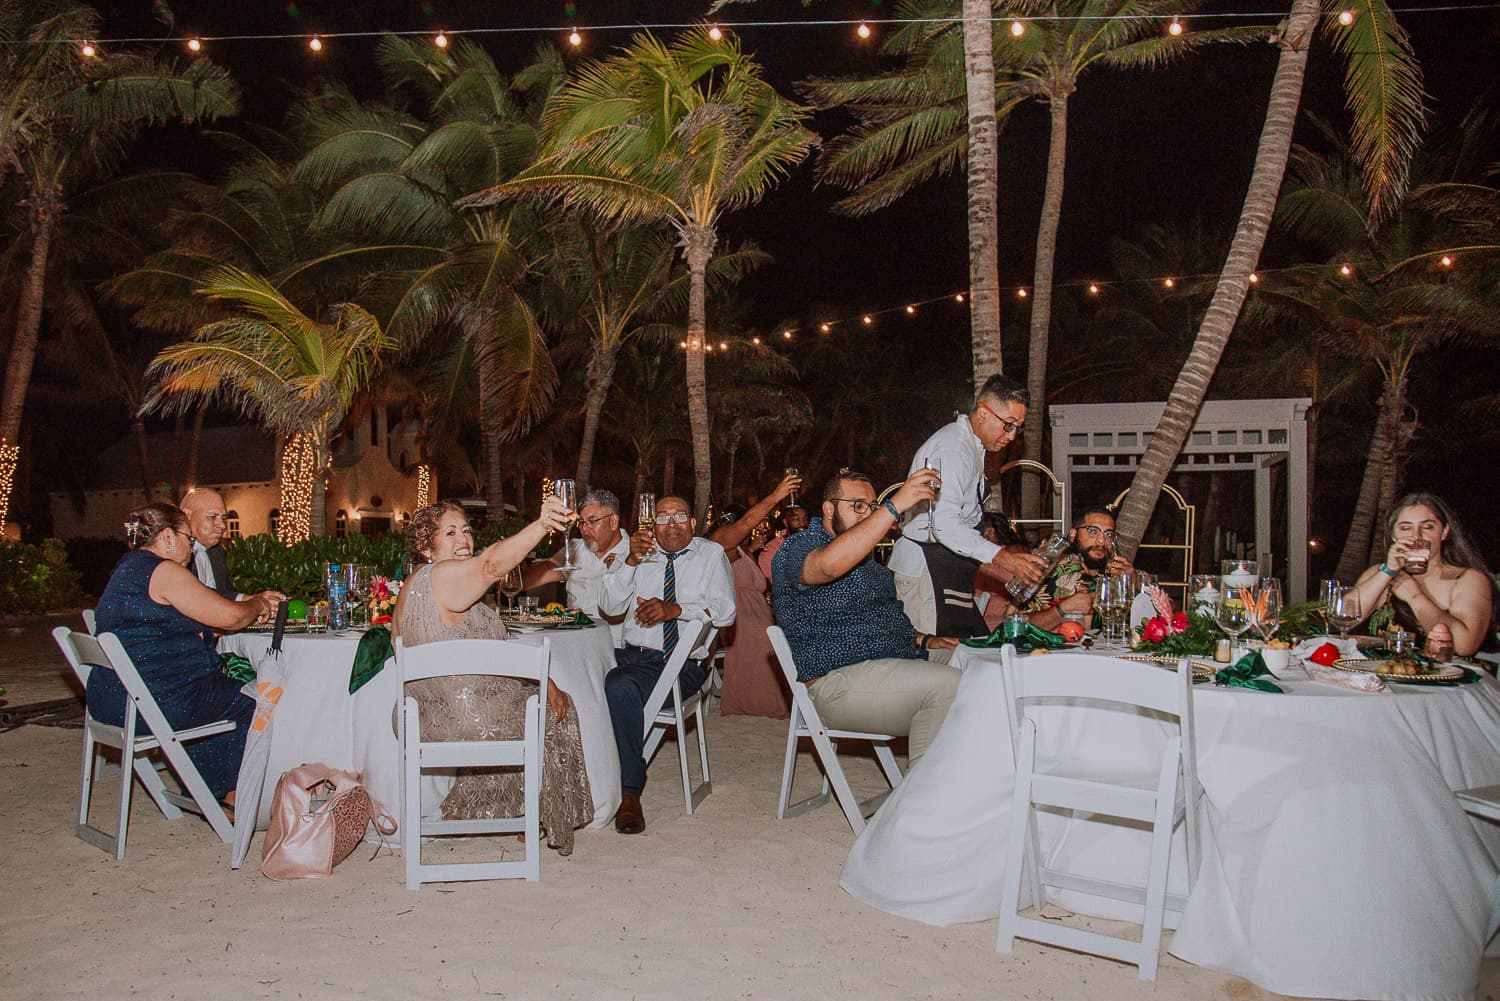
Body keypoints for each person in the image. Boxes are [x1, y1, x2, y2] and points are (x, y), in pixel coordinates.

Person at [393, 497, 593, 855]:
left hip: (420, 717)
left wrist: (539, 680)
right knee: (552, 711)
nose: (463, 540)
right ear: (426, 547)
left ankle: (469, 812)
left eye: (467, 531)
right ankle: (536, 815)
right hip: (463, 718)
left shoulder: (411, 587)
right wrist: (543, 524)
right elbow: (489, 565)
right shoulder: (442, 575)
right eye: (450, 532)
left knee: (517, 703)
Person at [91, 503, 283, 810]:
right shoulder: (162, 570)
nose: (191, 548)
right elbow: (231, 617)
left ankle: (210, 788)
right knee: (259, 696)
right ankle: (234, 793)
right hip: (150, 703)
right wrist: (258, 604)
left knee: (215, 691)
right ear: (167, 536)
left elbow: (164, 628)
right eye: (187, 539)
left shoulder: (128, 569)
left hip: (113, 699)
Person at [772, 468, 961, 769]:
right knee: (949, 686)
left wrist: (925, 639)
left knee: (979, 665)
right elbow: (827, 567)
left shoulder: (869, 564)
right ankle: (922, 806)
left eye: (871, 507)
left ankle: (973, 781)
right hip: (835, 680)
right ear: (828, 508)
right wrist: (892, 507)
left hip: (896, 659)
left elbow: (887, 619)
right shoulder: (798, 547)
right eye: (857, 505)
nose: (867, 514)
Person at [599, 495, 736, 834]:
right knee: (577, 679)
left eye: (679, 516)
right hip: (629, 655)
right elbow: (608, 606)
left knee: (619, 686)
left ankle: (629, 791)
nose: (671, 523)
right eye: (663, 517)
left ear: (693, 523)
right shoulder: (638, 553)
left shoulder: (710, 555)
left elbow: (726, 611)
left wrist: (675, 610)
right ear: (653, 524)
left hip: (679, 665)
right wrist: (630, 560)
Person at [890, 374, 1046, 638]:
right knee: (937, 663)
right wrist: (1004, 558)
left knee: (972, 653)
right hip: (926, 572)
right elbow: (945, 524)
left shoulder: (972, 446)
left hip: (948, 568)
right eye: (1008, 425)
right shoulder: (952, 449)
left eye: (1017, 427)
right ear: (983, 413)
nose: (1012, 436)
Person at [1350, 493, 1496, 658]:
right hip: (1379, 673)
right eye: (1405, 528)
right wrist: (1387, 572)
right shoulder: (1381, 573)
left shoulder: (1467, 579)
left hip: (1446, 678)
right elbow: (1342, 618)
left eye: (1427, 527)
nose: (1416, 536)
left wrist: (1415, 597)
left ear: (1444, 531)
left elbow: (1464, 646)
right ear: (1393, 535)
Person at [709, 471, 802, 718]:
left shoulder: (740, 547)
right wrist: (776, 496)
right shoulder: (721, 541)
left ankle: (782, 700)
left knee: (779, 647)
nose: (749, 527)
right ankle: (760, 704)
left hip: (758, 610)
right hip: (743, 615)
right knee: (766, 651)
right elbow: (747, 522)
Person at [528, 487, 631, 645]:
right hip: (572, 639)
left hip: (614, 645)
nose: (584, 529)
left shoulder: (633, 553)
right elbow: (538, 576)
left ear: (613, 522)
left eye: (592, 521)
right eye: (581, 522)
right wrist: (511, 579)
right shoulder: (575, 549)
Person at [1022, 506, 1135, 632]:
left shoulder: (1116, 573)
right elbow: (1014, 625)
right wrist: (1063, 609)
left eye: (1109, 534)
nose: (1101, 541)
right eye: (1093, 531)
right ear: (1073, 534)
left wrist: (1134, 585)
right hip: (1050, 651)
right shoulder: (1047, 569)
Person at [180, 488, 237, 599]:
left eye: (223, 518)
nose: (223, 526)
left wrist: (254, 599)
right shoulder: (174, 555)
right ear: (187, 515)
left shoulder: (217, 551)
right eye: (212, 517)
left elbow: (222, 595)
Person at [757, 503, 810, 583]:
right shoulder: (773, 548)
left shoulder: (813, 542)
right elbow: (769, 580)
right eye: (796, 519)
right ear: (785, 522)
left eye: (805, 519)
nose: (802, 523)